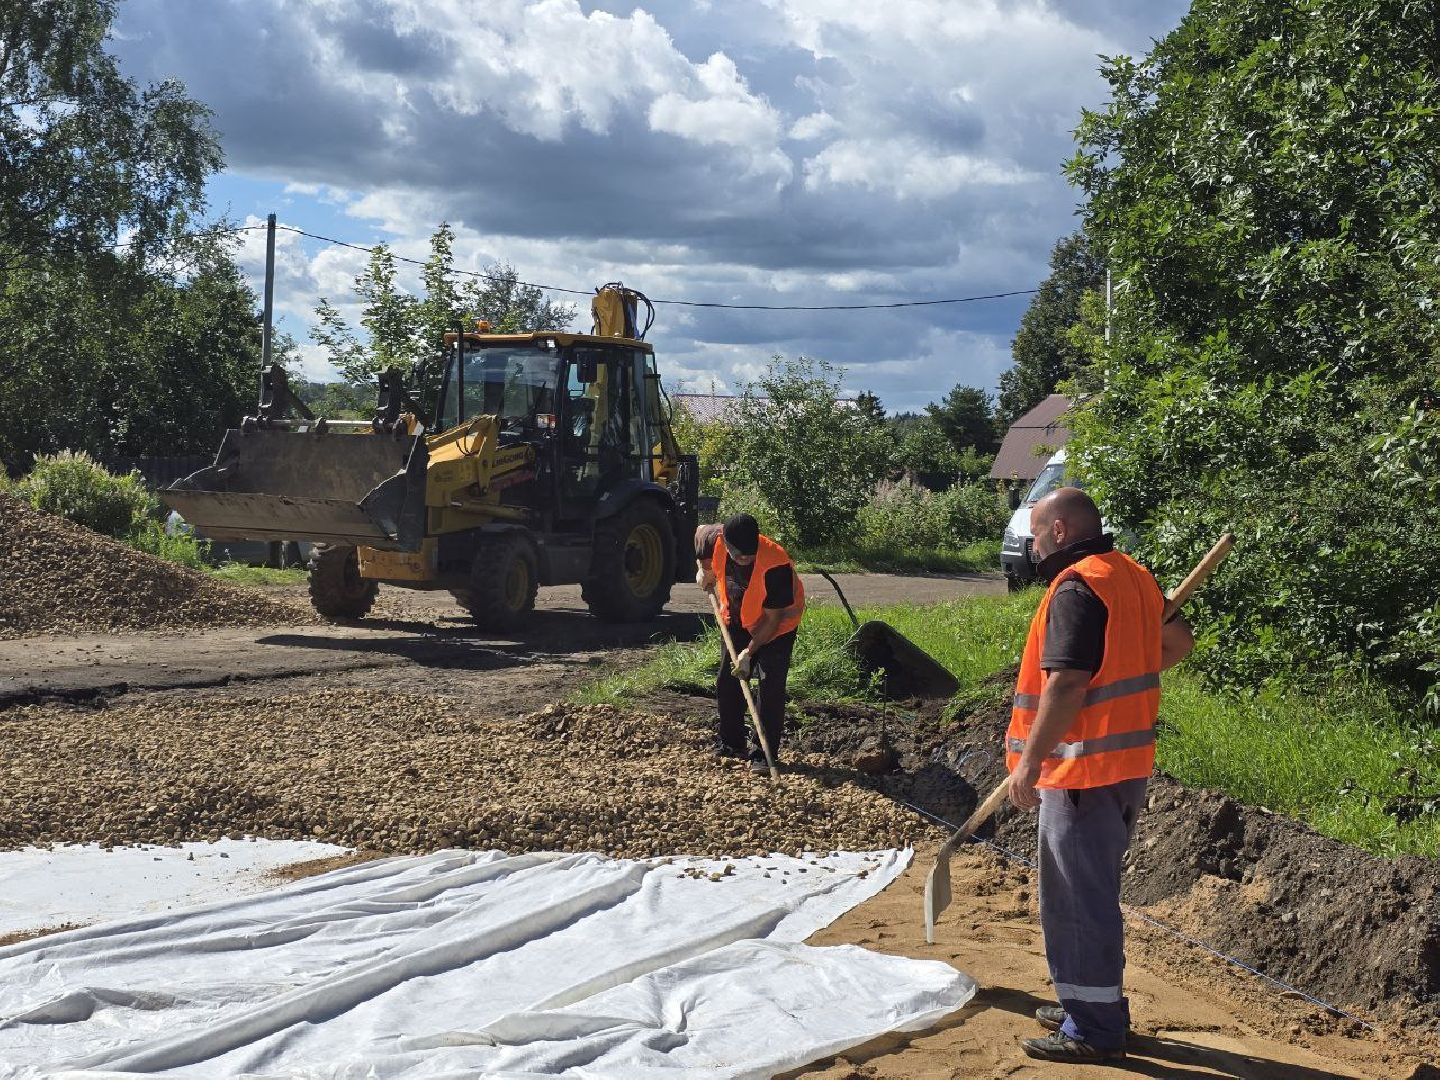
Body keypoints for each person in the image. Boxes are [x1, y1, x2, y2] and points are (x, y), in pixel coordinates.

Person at [1005, 487, 1194, 1064]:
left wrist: (1031, 763)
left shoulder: (1077, 586)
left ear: (1059, 531)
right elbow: (1179, 642)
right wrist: (1129, 660)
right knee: (1088, 894)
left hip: (1081, 770)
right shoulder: (1132, 574)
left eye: (1036, 535)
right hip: (1123, 765)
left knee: (1077, 902)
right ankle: (1092, 1004)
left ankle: (1093, 1027)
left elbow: (1065, 683)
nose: (1032, 547)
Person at [695, 514, 805, 773]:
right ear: (726, 543)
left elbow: (773, 619)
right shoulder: (714, 538)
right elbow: (699, 536)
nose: (745, 559)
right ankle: (732, 743)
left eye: (749, 554)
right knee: (727, 680)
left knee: (769, 686)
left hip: (776, 628)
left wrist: (749, 652)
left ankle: (763, 754)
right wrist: (705, 570)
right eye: (739, 555)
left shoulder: (776, 563)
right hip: (736, 618)